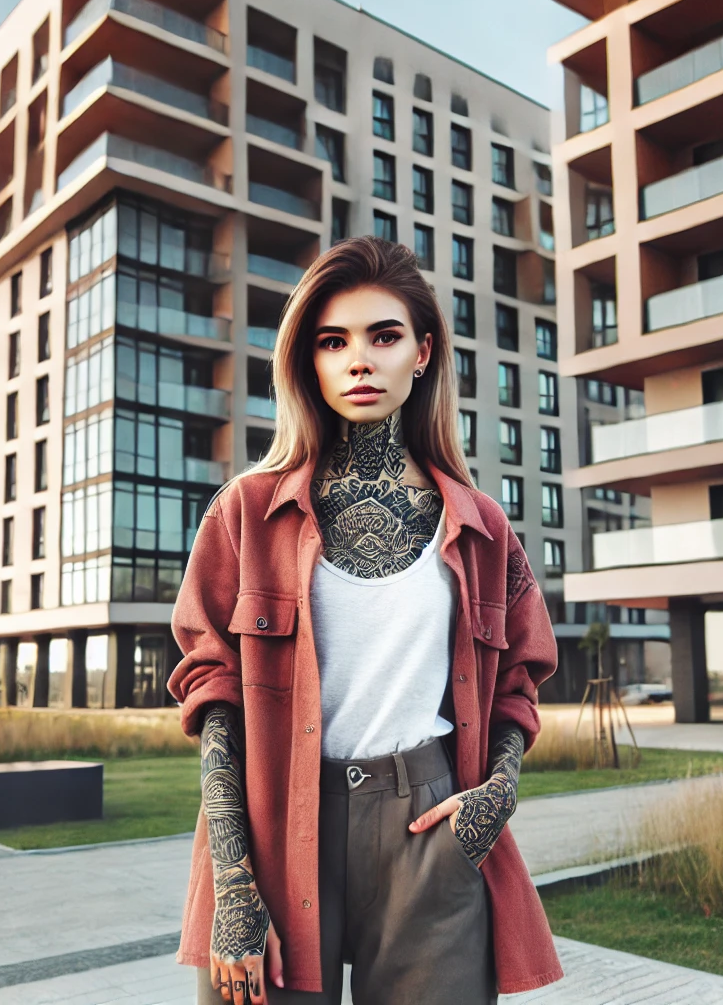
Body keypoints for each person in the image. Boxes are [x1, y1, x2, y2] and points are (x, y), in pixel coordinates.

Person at [167, 237, 563, 1004]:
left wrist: (498, 795)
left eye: (383, 336)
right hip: (275, 831)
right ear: (308, 363)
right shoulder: (244, 514)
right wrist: (235, 889)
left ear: (422, 353)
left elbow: (520, 679)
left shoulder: (481, 527)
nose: (359, 360)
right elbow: (211, 695)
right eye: (333, 341)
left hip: (430, 831)